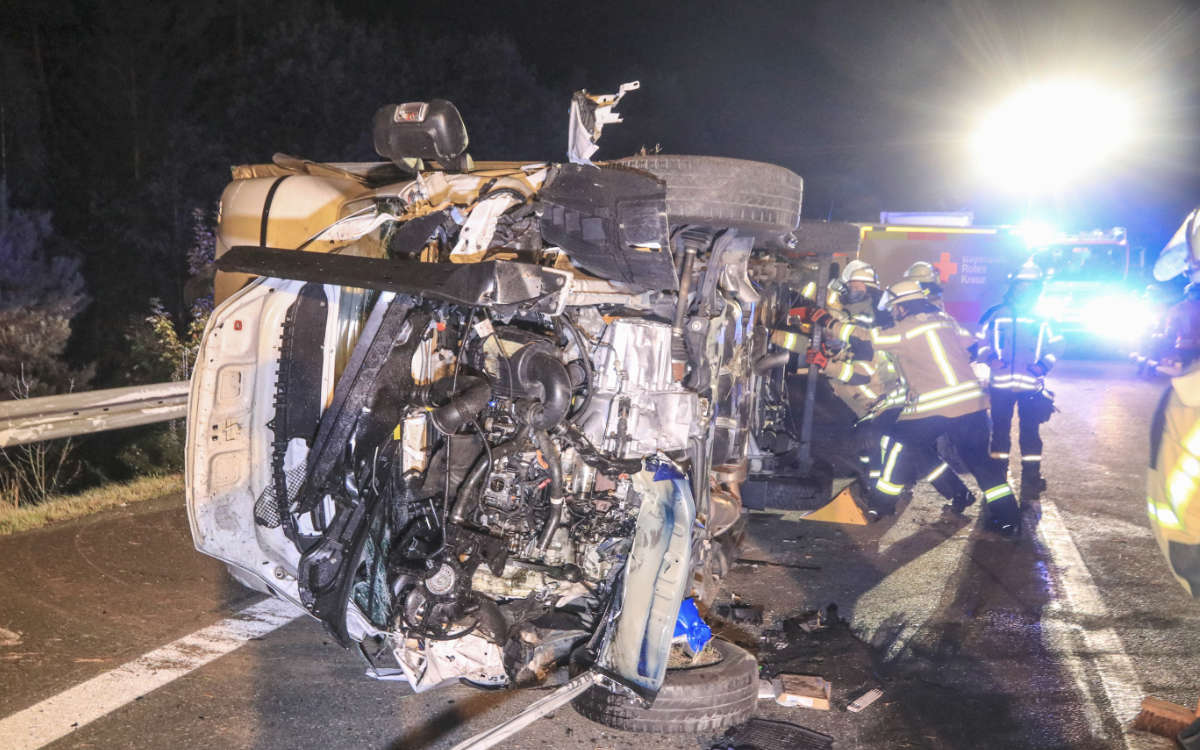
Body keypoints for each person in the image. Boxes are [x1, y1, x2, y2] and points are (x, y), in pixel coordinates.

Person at [801, 280, 1018, 534]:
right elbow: (971, 349)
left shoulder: (907, 329)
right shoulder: (946, 321)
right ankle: (1008, 520)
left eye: (895, 308)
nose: (893, 313)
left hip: (936, 407)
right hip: (973, 404)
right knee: (981, 463)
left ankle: (881, 504)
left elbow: (866, 337)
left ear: (902, 308)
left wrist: (829, 322)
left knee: (896, 444)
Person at [975, 262, 1063, 498]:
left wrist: (1042, 366)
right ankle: (998, 476)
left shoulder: (1045, 318)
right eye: (1021, 285)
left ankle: (1031, 478)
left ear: (1037, 289)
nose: (1024, 290)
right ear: (1013, 287)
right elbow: (979, 343)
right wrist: (990, 358)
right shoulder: (995, 314)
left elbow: (1057, 347)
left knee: (1030, 434)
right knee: (999, 434)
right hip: (1000, 386)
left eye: (1029, 286)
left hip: (1030, 387)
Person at [1163, 282, 1200, 369]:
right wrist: (1169, 330)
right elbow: (1171, 323)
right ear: (1187, 293)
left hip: (1195, 342)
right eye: (1193, 292)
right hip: (1185, 343)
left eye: (1197, 292)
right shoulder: (1179, 307)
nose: (1196, 294)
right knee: (1187, 366)